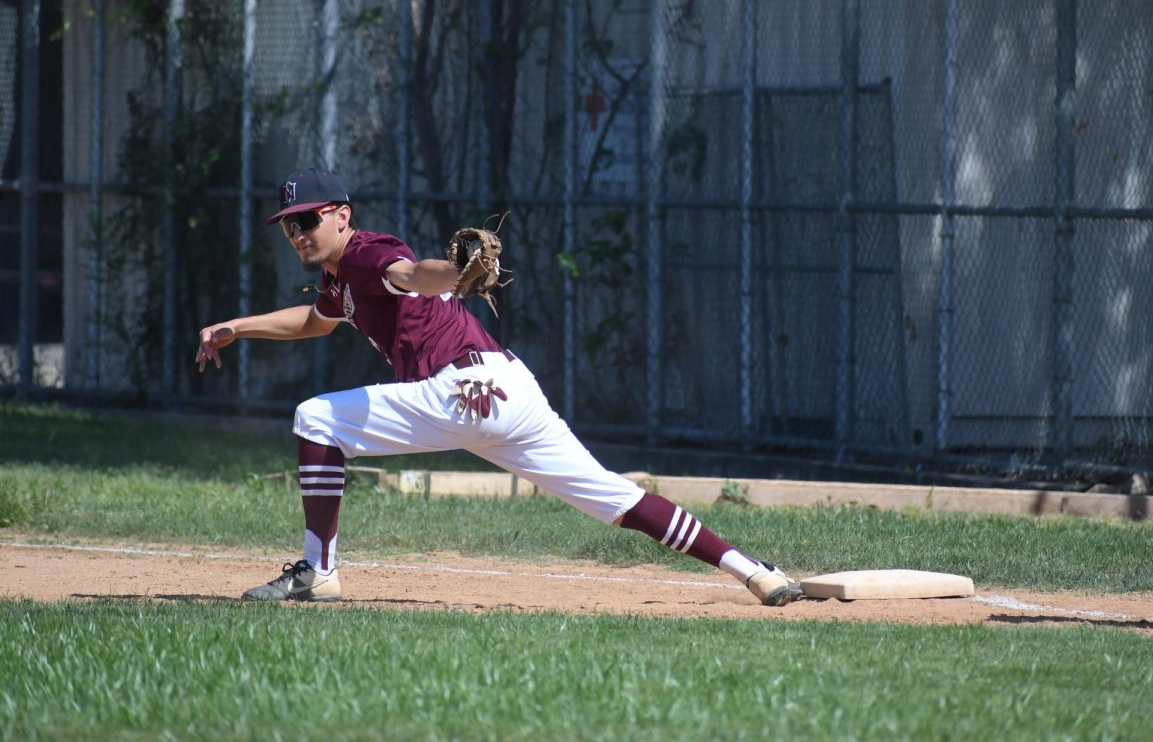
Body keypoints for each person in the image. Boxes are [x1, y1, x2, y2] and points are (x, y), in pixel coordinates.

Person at [195, 167, 803, 607]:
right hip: (509, 389)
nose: (298, 232)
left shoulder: (367, 254)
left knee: (316, 419)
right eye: (288, 225)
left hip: (457, 391)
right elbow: (314, 321)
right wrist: (234, 328)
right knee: (613, 497)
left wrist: (454, 272)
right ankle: (753, 572)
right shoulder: (337, 280)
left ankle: (320, 571)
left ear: (341, 215)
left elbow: (414, 275)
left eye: (307, 219)